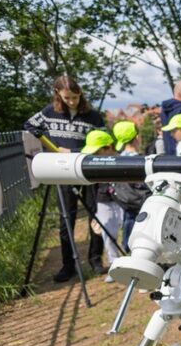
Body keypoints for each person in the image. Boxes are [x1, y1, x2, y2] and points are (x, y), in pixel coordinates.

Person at [23, 74, 107, 282]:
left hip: (87, 169)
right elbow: (30, 125)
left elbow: (103, 143)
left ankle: (95, 259)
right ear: (58, 94)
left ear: (80, 94)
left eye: (75, 98)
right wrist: (49, 143)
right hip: (61, 170)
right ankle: (68, 264)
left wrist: (74, 151)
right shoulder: (49, 112)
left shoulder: (93, 117)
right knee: (66, 218)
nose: (71, 102)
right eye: (67, 98)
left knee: (95, 214)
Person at [80, 129, 123, 278]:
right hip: (103, 202)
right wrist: (93, 212)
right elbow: (91, 189)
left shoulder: (123, 160)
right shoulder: (93, 163)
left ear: (108, 147)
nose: (94, 156)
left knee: (129, 234)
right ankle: (114, 266)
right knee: (108, 235)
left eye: (97, 152)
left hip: (123, 201)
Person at [111, 120, 149, 252]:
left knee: (129, 221)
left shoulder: (117, 159)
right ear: (137, 137)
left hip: (126, 203)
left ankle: (128, 246)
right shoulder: (142, 160)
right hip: (143, 203)